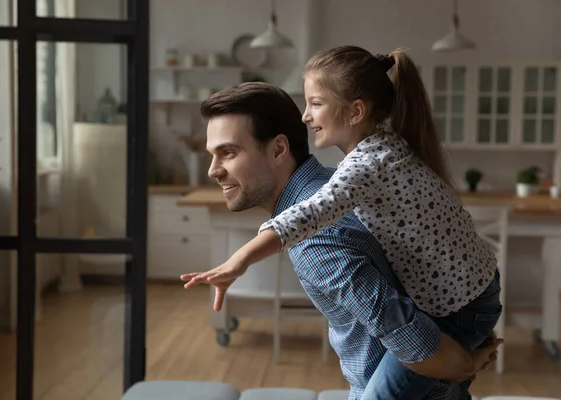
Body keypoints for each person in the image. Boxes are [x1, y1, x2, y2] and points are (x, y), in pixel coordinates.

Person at [181, 81, 502, 400]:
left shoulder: (315, 240)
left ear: (279, 149)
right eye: (212, 155)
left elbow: (410, 335)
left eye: (228, 153)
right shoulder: (340, 182)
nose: (213, 170)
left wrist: (464, 362)